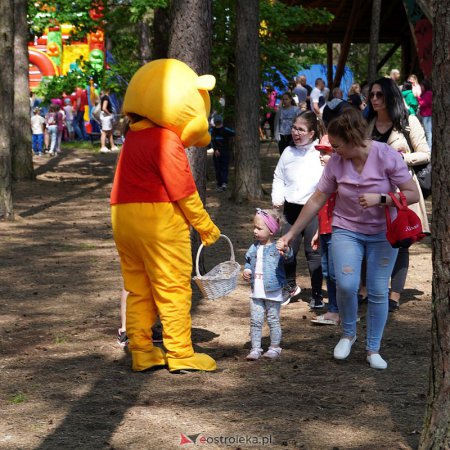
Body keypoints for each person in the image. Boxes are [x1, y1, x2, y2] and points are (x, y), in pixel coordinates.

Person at [277, 107, 420, 370]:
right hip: (347, 230)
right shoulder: (336, 163)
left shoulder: (386, 155)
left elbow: (412, 194)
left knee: (378, 291)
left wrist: (382, 199)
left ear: (353, 138)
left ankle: (373, 349)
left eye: (337, 145)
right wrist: (291, 232)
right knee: (345, 284)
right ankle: (348, 333)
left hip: (382, 233)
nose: (333, 150)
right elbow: (317, 198)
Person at [365, 77, 430, 312]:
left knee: (401, 241)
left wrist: (402, 158)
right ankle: (367, 290)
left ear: (391, 96)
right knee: (370, 238)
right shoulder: (368, 123)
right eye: (371, 95)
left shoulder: (408, 121)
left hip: (402, 190)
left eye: (379, 95)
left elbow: (425, 153)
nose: (374, 99)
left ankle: (394, 295)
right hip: (372, 190)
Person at [272, 111, 324, 307]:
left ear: (311, 133)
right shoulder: (288, 152)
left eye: (301, 129)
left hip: (313, 211)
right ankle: (290, 287)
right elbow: (278, 176)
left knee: (313, 253)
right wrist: (277, 197)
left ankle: (317, 295)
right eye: (294, 128)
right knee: (286, 250)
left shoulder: (321, 153)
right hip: (291, 210)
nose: (295, 132)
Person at [243, 208, 293, 360]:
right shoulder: (254, 247)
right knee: (255, 320)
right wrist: (246, 270)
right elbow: (248, 261)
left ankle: (275, 347)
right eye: (254, 227)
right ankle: (256, 348)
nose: (255, 231)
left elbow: (289, 258)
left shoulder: (277, 248)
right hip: (256, 292)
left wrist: (286, 249)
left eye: (259, 228)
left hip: (273, 291)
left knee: (272, 319)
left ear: (271, 231)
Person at [310, 135, 339, 325]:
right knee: (328, 272)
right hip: (325, 231)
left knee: (337, 273)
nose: (321, 156)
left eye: (325, 153)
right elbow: (322, 208)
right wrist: (317, 232)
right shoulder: (325, 175)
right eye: (320, 153)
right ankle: (333, 309)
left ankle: (339, 310)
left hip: (338, 231)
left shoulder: (339, 176)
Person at [210, 114, 235, 191]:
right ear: (221, 121)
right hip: (224, 152)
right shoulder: (224, 129)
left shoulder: (212, 130)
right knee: (223, 168)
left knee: (219, 168)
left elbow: (210, 141)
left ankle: (221, 184)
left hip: (219, 153)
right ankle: (222, 184)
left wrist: (215, 150)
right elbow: (234, 132)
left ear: (214, 122)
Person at [99, 89, 118, 153]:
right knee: (104, 132)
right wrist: (110, 114)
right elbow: (104, 108)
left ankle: (112, 146)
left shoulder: (104, 97)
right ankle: (103, 147)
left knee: (110, 132)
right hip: (106, 117)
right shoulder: (106, 98)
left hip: (105, 117)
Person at [418, 79, 432, 150]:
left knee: (428, 132)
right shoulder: (425, 93)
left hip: (427, 115)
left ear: (425, 86)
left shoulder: (428, 93)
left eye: (421, 86)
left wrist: (417, 97)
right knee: (428, 131)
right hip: (425, 115)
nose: (420, 87)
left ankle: (430, 148)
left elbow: (423, 103)